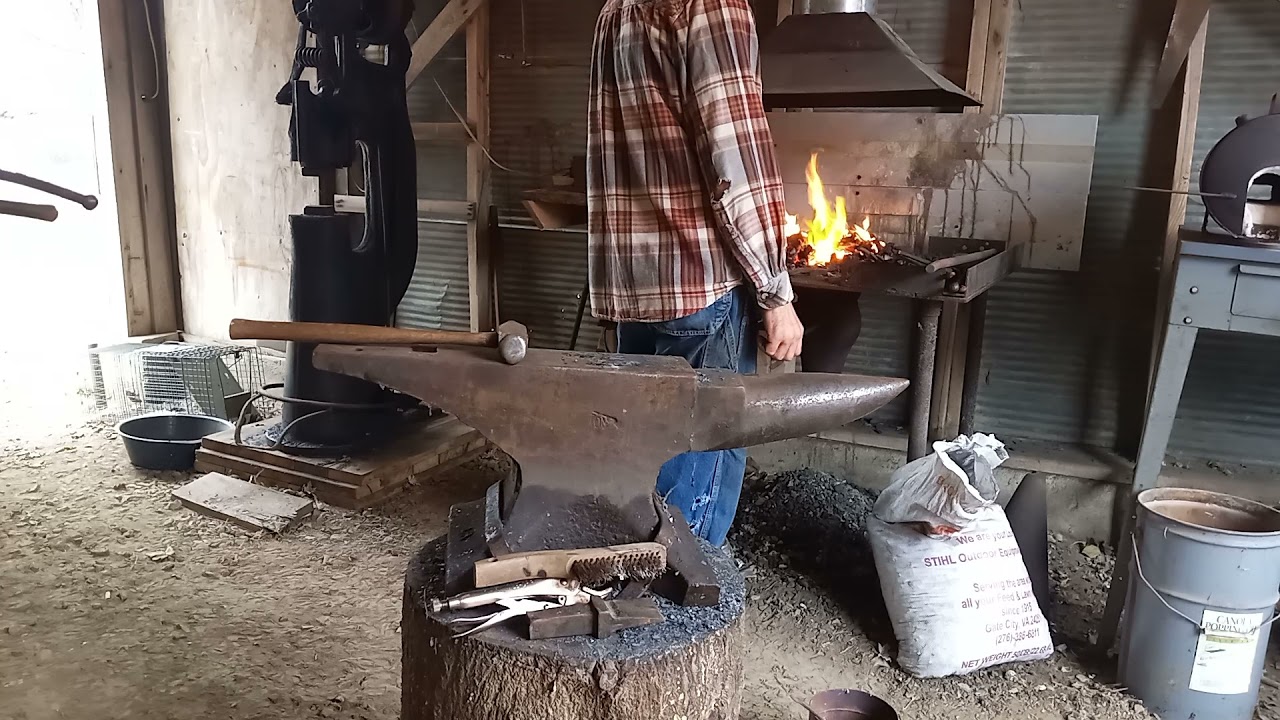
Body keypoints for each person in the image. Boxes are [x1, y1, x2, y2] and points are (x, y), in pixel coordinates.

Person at [586, 0, 803, 546]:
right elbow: (736, 159)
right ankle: (676, 610)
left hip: (633, 283)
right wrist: (775, 293)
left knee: (644, 451)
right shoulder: (710, 6)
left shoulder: (618, 11)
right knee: (701, 462)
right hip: (701, 282)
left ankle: (631, 592)